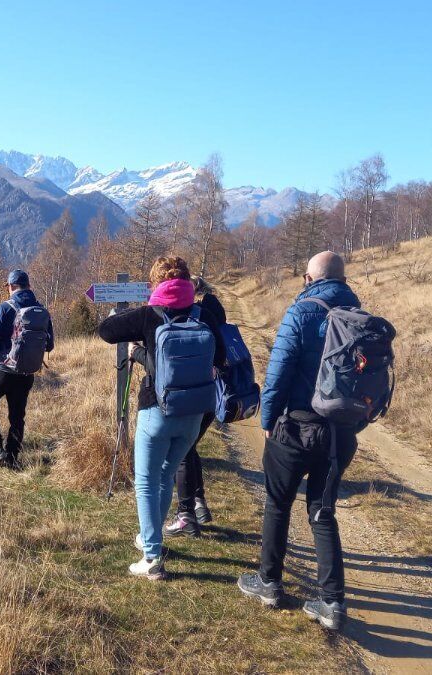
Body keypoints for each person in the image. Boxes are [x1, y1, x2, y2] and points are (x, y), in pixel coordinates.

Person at [238, 251, 360, 631]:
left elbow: (278, 371)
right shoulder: (360, 315)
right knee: (323, 512)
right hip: (340, 432)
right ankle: (332, 603)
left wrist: (268, 419)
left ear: (309, 279)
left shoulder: (302, 312)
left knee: (278, 504)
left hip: (297, 427)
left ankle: (270, 582)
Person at [97, 256, 225, 579]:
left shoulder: (148, 316)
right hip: (194, 415)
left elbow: (106, 331)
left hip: (157, 410)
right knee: (166, 476)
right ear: (187, 281)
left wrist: (137, 350)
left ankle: (152, 557)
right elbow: (220, 356)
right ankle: (148, 536)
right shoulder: (203, 314)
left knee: (145, 480)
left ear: (156, 283)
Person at [163, 277, 226, 537]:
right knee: (190, 446)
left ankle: (186, 514)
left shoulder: (198, 313)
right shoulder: (214, 310)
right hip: (211, 391)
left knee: (183, 449)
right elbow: (221, 355)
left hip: (191, 392)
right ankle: (198, 504)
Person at [0, 269, 55, 471]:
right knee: (17, 416)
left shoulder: (5, 308)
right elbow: (50, 345)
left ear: (11, 287)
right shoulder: (41, 310)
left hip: (2, 370)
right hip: (26, 372)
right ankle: (12, 458)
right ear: (28, 286)